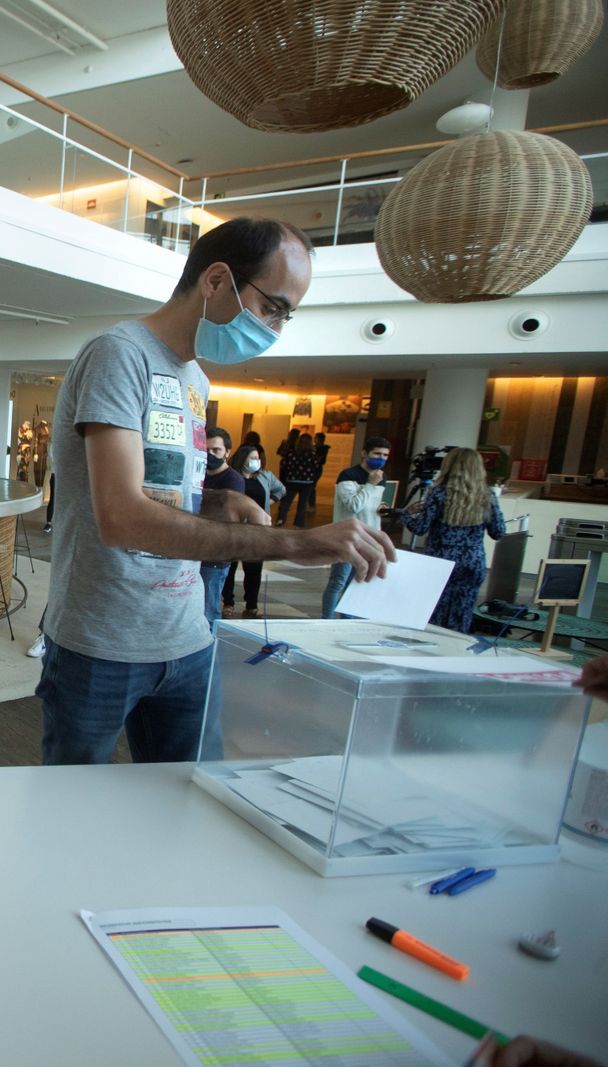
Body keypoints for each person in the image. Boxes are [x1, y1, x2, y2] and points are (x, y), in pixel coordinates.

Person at [38, 217, 394, 767]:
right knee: (74, 803)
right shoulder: (119, 354)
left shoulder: (195, 378)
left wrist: (215, 501)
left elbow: (155, 495)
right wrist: (295, 543)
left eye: (286, 316)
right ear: (217, 280)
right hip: (102, 642)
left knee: (191, 796)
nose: (275, 328)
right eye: (272, 307)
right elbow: (121, 518)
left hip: (187, 636)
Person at [399, 447, 505, 632]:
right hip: (473, 562)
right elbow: (498, 532)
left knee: (434, 615)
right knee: (462, 615)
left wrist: (405, 515)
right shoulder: (487, 496)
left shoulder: (438, 494)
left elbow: (420, 528)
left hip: (440, 561)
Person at [321, 436, 392, 619]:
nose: (381, 458)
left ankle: (347, 621)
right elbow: (353, 506)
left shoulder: (382, 478)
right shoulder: (349, 475)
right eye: (377, 454)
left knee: (356, 583)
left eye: (385, 455)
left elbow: (374, 507)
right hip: (347, 537)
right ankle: (326, 621)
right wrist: (370, 485)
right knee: (338, 581)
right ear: (364, 453)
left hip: (369, 538)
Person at [223, 444, 284, 618]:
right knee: (229, 568)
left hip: (257, 530)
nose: (256, 461)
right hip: (234, 528)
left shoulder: (264, 476)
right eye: (252, 458)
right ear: (242, 459)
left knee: (254, 570)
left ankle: (252, 605)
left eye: (257, 458)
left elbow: (281, 490)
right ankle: (228, 602)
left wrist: (267, 504)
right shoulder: (232, 476)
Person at [199, 427, 244, 623]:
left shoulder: (233, 479)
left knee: (208, 609)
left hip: (215, 555)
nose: (210, 454)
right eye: (205, 450)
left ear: (227, 452)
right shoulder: (199, 473)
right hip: (194, 549)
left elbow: (227, 517)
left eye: (216, 450)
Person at [275, 432, 321, 527]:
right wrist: (313, 479)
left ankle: (281, 519)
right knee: (302, 504)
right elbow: (316, 467)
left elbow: (284, 465)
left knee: (286, 502)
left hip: (292, 480)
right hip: (307, 482)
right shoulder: (312, 454)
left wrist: (285, 478)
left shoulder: (291, 453)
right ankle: (298, 524)